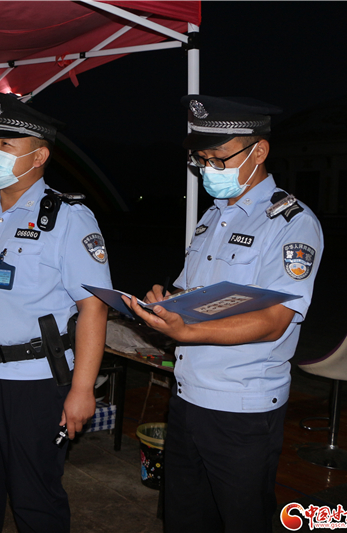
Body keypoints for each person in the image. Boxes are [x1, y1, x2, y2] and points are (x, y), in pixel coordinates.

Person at [124, 95, 324, 532]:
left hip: (242, 408)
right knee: (184, 518)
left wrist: (185, 332)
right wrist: (164, 303)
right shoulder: (214, 217)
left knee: (241, 520)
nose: (208, 169)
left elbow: (275, 320)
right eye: (201, 161)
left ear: (259, 151)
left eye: (218, 158)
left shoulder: (290, 223)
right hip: (187, 398)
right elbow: (194, 294)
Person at [0, 92, 112, 533]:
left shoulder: (68, 218)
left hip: (32, 384)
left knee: (35, 498)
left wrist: (82, 390)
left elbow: (94, 307)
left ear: (39, 156)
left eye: (6, 145)